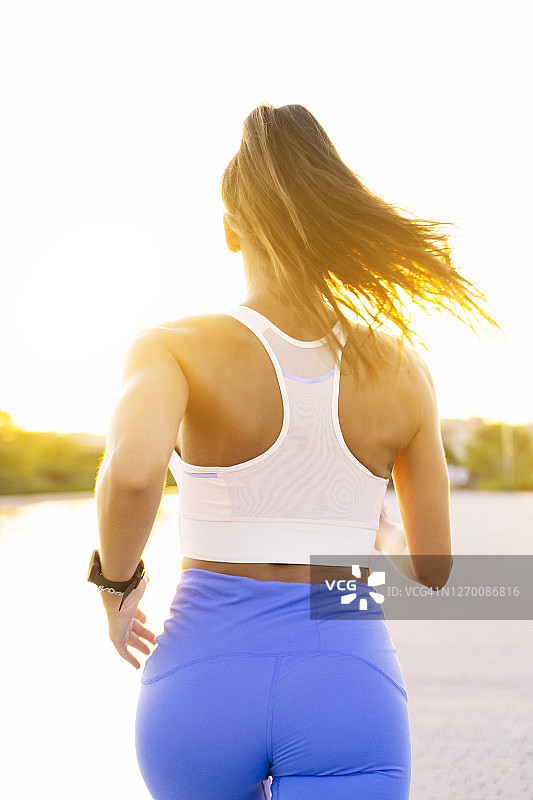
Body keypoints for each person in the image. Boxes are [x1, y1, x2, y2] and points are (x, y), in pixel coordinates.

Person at [92, 104, 501, 799]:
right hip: (345, 676)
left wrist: (116, 587)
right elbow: (432, 571)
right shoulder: (404, 367)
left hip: (202, 678)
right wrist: (372, 528)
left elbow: (132, 477)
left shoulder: (172, 346)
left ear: (229, 230)